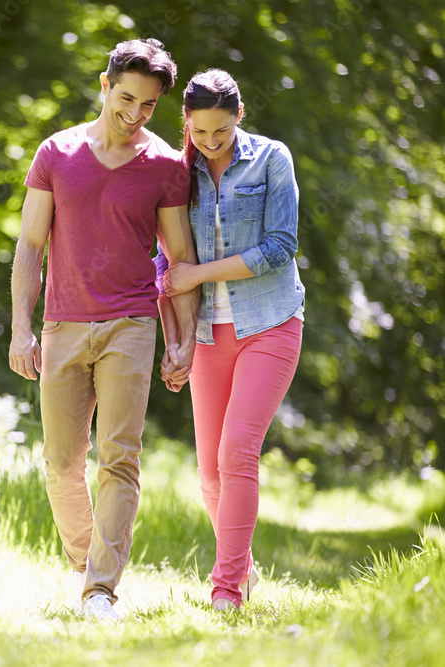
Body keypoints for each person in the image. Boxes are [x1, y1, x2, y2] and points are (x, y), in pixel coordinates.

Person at [8, 38, 200, 621]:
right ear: (104, 84)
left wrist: (183, 337)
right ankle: (86, 559)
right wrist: (20, 329)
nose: (135, 113)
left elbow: (179, 257)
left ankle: (100, 589)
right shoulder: (56, 153)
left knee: (119, 458)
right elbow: (30, 246)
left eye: (148, 104)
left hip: (131, 324)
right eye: (127, 98)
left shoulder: (165, 165)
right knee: (62, 463)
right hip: (63, 323)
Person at [156, 68, 305, 611]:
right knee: (209, 473)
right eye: (199, 132)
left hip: (270, 322)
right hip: (206, 333)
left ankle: (225, 592)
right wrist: (175, 340)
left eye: (221, 130)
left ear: (240, 115)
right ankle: (243, 570)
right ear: (186, 123)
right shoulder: (177, 173)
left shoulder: (271, 159)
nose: (211, 142)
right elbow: (166, 265)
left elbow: (280, 246)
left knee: (237, 451)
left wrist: (199, 273)